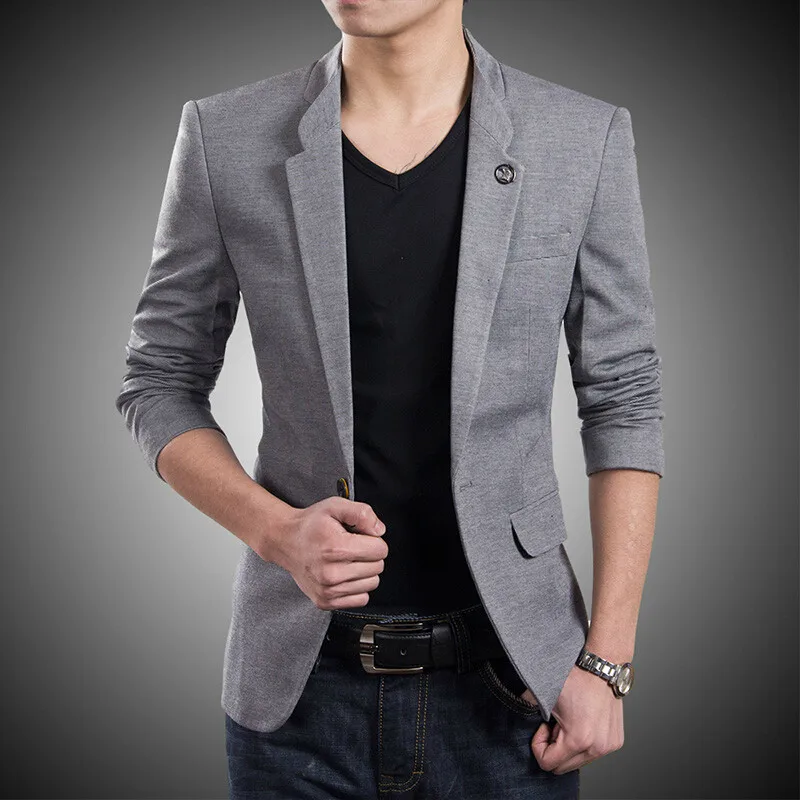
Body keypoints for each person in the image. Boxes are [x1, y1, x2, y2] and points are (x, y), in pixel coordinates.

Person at [115, 1, 664, 797]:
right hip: (299, 700)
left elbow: (623, 397)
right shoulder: (224, 135)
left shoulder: (581, 137)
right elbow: (159, 378)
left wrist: (606, 660)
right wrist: (275, 532)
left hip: (514, 692)